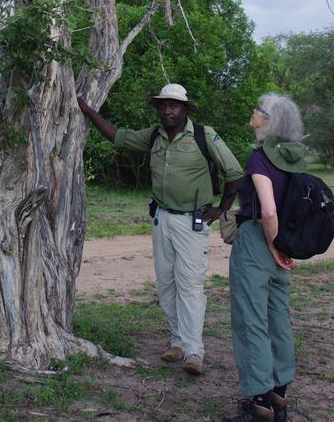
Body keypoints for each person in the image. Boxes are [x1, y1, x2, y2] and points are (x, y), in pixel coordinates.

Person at [77, 83, 243, 375]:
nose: (167, 110)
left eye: (174, 105)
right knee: (166, 283)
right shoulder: (154, 136)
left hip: (193, 222)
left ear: (185, 109)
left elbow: (235, 174)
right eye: (163, 105)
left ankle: (194, 352)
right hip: (162, 218)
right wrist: (89, 111)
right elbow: (118, 137)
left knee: (190, 285)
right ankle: (177, 341)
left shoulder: (204, 135)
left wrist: (220, 209)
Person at [222, 93, 306, 422]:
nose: (253, 112)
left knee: (251, 323)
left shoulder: (261, 158)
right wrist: (282, 248)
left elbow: (268, 210)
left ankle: (259, 406)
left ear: (268, 120)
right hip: (283, 244)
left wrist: (272, 245)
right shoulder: (294, 158)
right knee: (279, 321)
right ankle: (279, 398)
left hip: (260, 242)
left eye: (257, 110)